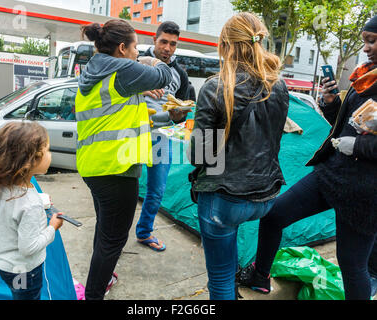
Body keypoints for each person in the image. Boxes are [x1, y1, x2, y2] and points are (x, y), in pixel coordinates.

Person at [238, 15, 377, 300]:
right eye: (364, 40)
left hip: (364, 192)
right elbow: (348, 124)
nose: (366, 48)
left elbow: (361, 140)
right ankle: (260, 275)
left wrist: (359, 148)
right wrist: (331, 105)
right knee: (274, 214)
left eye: (372, 41)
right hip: (333, 173)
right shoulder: (364, 75)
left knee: (352, 266)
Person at [188, 12, 289, 300]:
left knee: (218, 279)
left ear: (224, 45)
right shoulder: (278, 85)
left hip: (225, 198)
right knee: (226, 260)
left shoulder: (215, 86)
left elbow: (201, 156)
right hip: (266, 196)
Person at [75, 19, 172, 300]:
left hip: (96, 166)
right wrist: (150, 61)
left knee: (106, 233)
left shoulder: (96, 71)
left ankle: (101, 280)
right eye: (135, 48)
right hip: (116, 170)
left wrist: (166, 117)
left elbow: (126, 120)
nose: (136, 53)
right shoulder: (123, 68)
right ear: (122, 48)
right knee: (114, 240)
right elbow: (166, 76)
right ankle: (93, 294)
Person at [0, 122, 64, 300]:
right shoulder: (30, 204)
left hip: (2, 262)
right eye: (47, 150)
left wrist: (36, 205)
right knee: (26, 296)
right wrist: (52, 227)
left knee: (18, 293)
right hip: (22, 271)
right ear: (31, 160)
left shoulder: (2, 183)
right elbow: (28, 248)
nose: (50, 154)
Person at [136, 21, 191, 252]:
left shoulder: (181, 74)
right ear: (154, 40)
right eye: (164, 42)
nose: (168, 48)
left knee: (157, 189)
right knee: (126, 187)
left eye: (173, 44)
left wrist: (179, 114)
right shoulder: (135, 61)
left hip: (162, 137)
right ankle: (114, 235)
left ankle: (144, 232)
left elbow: (178, 113)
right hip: (134, 133)